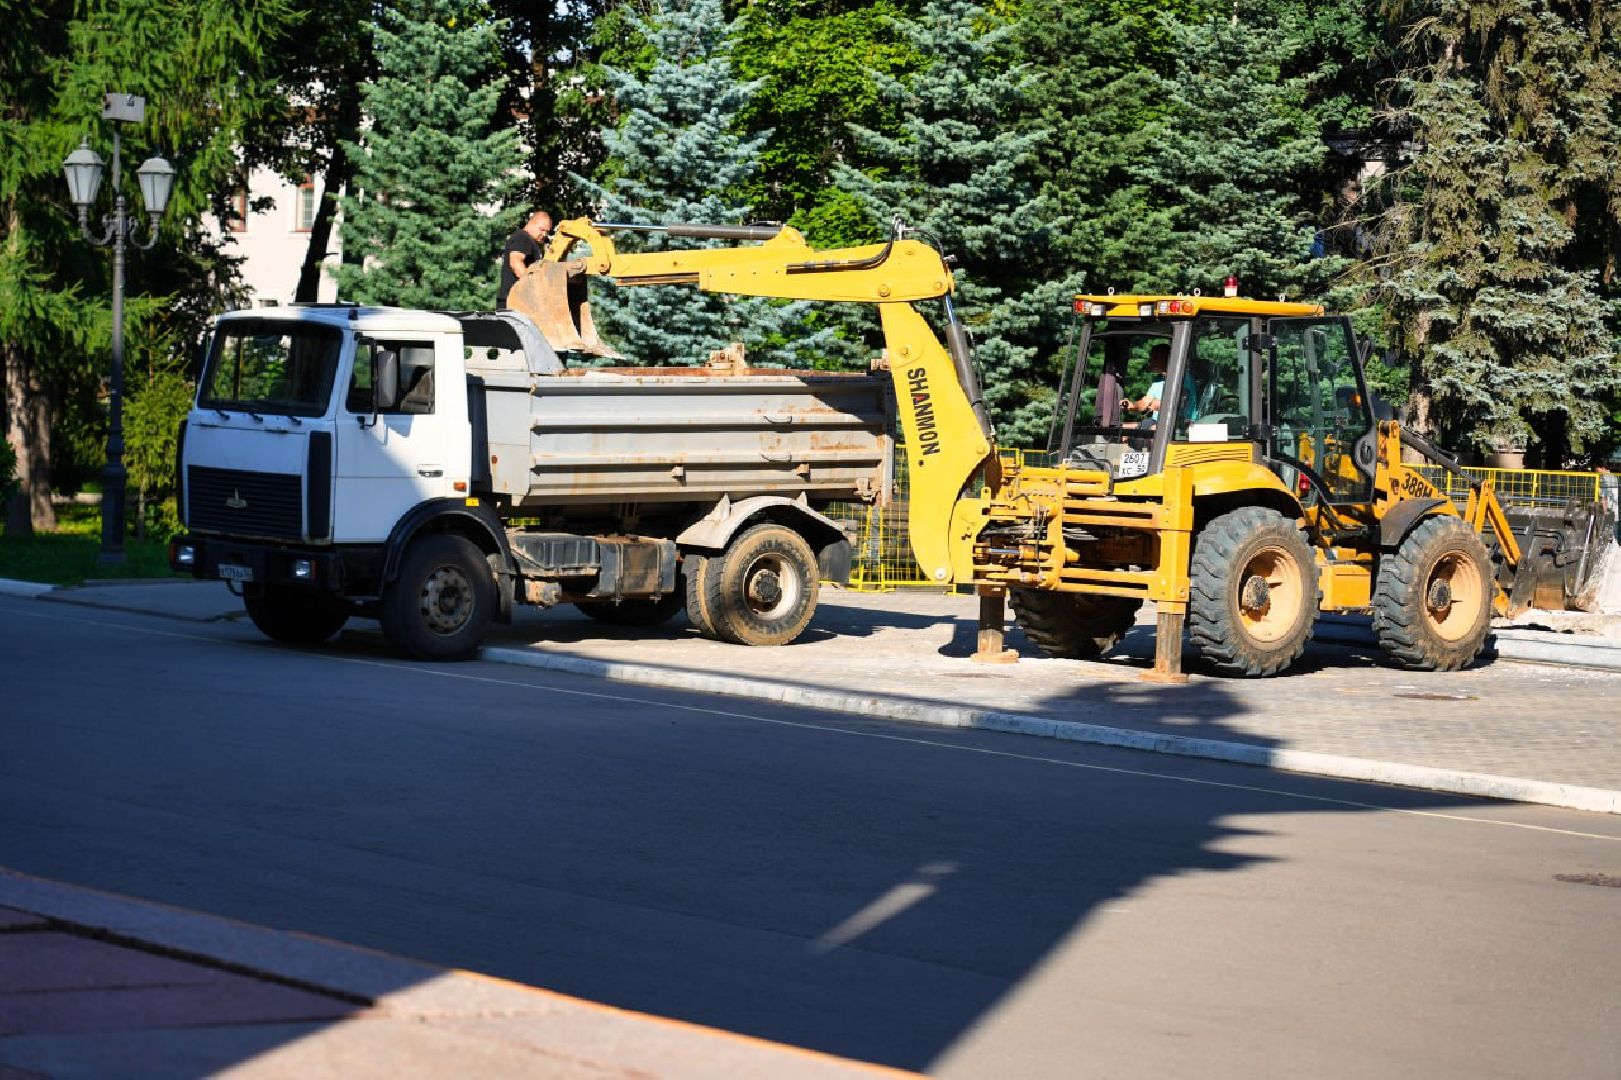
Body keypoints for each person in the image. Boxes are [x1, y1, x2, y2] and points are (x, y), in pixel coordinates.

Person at [496, 210, 552, 308]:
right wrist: (534, 286)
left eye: (547, 232)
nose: (544, 234)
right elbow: (515, 263)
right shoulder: (522, 237)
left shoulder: (531, 241)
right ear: (532, 223)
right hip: (513, 303)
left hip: (519, 301)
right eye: (542, 230)